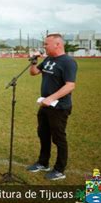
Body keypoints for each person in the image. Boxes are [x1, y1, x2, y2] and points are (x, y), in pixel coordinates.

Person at [27, 33, 77, 181]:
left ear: (57, 44)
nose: (44, 46)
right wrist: (33, 61)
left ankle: (59, 169)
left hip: (60, 107)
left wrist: (51, 98)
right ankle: (43, 162)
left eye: (46, 44)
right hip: (45, 105)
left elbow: (70, 86)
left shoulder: (68, 62)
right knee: (43, 134)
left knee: (58, 138)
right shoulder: (49, 59)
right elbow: (34, 73)